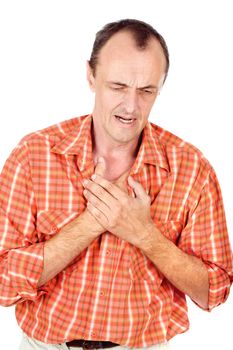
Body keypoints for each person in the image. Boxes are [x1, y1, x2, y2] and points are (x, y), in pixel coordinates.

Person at [0, 19, 232, 350]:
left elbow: (215, 291)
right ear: (91, 76)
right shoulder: (33, 155)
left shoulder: (192, 170)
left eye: (146, 90)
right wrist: (91, 222)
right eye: (118, 86)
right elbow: (3, 282)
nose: (131, 106)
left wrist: (147, 236)